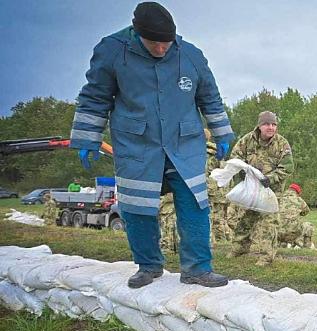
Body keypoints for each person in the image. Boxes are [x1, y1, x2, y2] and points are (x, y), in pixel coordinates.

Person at [70, 2, 234, 288]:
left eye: (166, 43)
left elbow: (210, 97)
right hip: (137, 144)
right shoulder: (112, 51)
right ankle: (148, 266)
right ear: (136, 33)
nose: (161, 49)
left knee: (195, 204)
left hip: (184, 144)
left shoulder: (191, 55)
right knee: (136, 207)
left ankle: (198, 268)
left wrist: (221, 133)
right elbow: (95, 97)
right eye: (153, 43)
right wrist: (88, 137)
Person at [228, 111, 293, 266]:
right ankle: (239, 248)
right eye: (266, 124)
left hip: (271, 191)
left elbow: (287, 168)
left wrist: (269, 179)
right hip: (250, 189)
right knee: (244, 219)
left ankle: (266, 256)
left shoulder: (282, 144)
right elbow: (235, 158)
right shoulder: (247, 140)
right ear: (259, 126)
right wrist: (244, 175)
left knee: (269, 223)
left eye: (273, 124)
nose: (270, 127)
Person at [277, 183, 315, 249]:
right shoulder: (299, 200)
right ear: (297, 192)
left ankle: (282, 244)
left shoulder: (278, 198)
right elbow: (306, 212)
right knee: (308, 225)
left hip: (277, 233)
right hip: (293, 234)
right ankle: (307, 245)